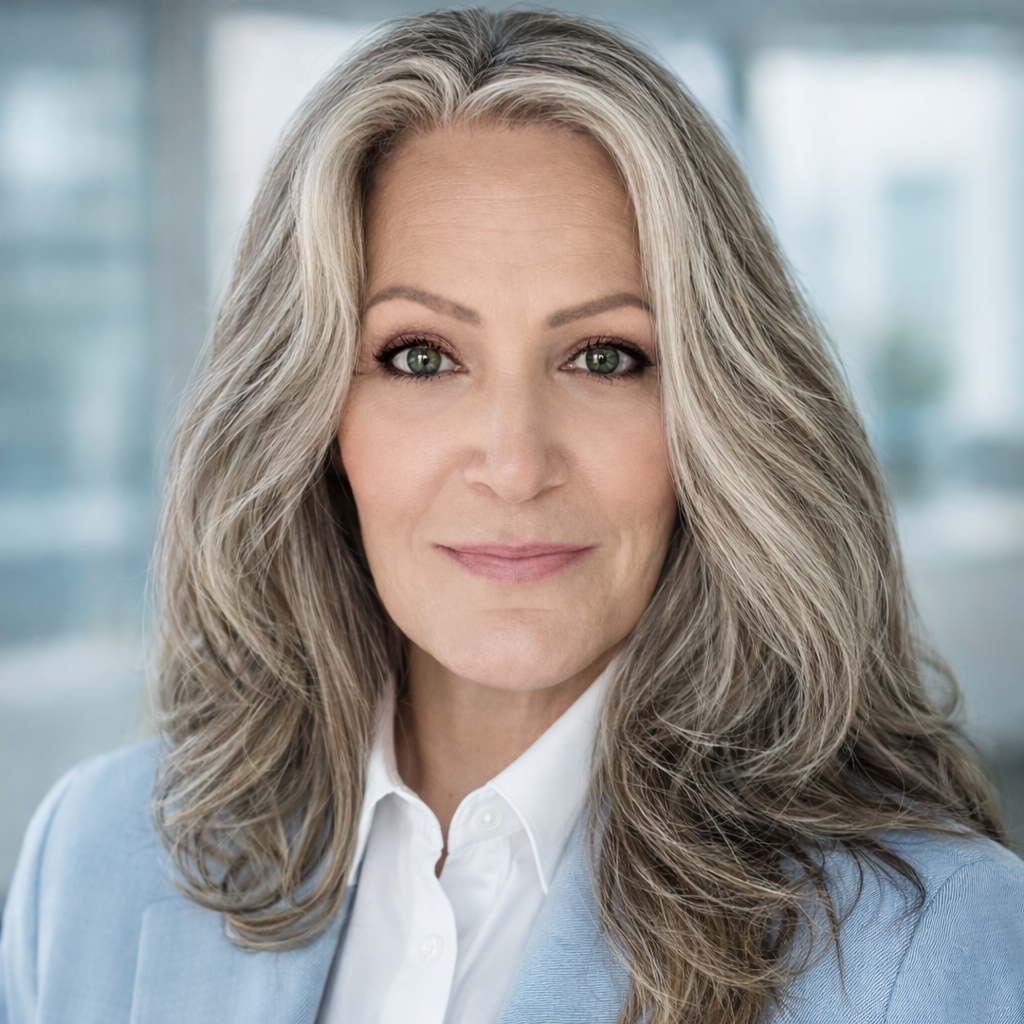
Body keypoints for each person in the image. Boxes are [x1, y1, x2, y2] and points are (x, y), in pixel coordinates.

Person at [2, 8, 1023, 1024]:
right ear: (311, 417)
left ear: (714, 417)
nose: (514, 463)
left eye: (604, 357)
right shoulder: (91, 862)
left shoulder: (931, 946)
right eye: (420, 356)